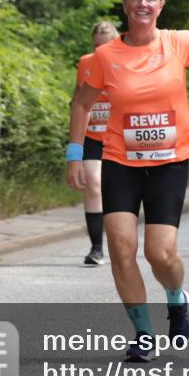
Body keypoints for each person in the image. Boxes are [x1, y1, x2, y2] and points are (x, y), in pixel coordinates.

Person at [67, 0, 189, 362]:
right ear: (126, 5)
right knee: (120, 247)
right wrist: (74, 154)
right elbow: (81, 104)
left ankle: (177, 298)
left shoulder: (178, 42)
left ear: (160, 5)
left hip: (169, 162)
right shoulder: (105, 56)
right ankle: (143, 333)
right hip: (120, 161)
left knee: (160, 254)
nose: (143, 4)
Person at [75, 20, 119, 266]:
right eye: (96, 46)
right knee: (93, 183)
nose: (100, 51)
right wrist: (74, 145)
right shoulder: (85, 63)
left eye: (106, 46)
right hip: (92, 136)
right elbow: (78, 99)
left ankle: (120, 242)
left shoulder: (125, 62)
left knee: (116, 191)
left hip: (120, 138)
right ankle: (96, 248)